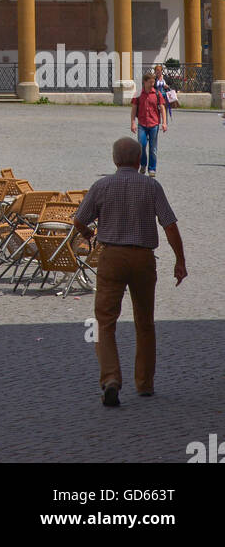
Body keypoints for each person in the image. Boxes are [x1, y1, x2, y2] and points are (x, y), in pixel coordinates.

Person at [74, 136, 186, 407]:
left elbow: (79, 219)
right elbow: (169, 225)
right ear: (139, 161)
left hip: (111, 257)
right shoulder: (152, 186)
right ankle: (145, 383)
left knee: (105, 323)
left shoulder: (102, 186)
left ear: (114, 160)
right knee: (145, 322)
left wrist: (89, 232)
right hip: (143, 258)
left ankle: (111, 378)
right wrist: (180, 260)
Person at [130, 72, 167, 177]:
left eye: (153, 82)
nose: (152, 84)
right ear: (144, 82)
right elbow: (134, 109)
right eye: (150, 82)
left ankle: (152, 169)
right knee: (141, 146)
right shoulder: (138, 94)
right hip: (142, 124)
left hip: (154, 124)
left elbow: (163, 109)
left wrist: (164, 123)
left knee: (153, 148)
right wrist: (133, 123)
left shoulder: (157, 94)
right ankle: (143, 164)